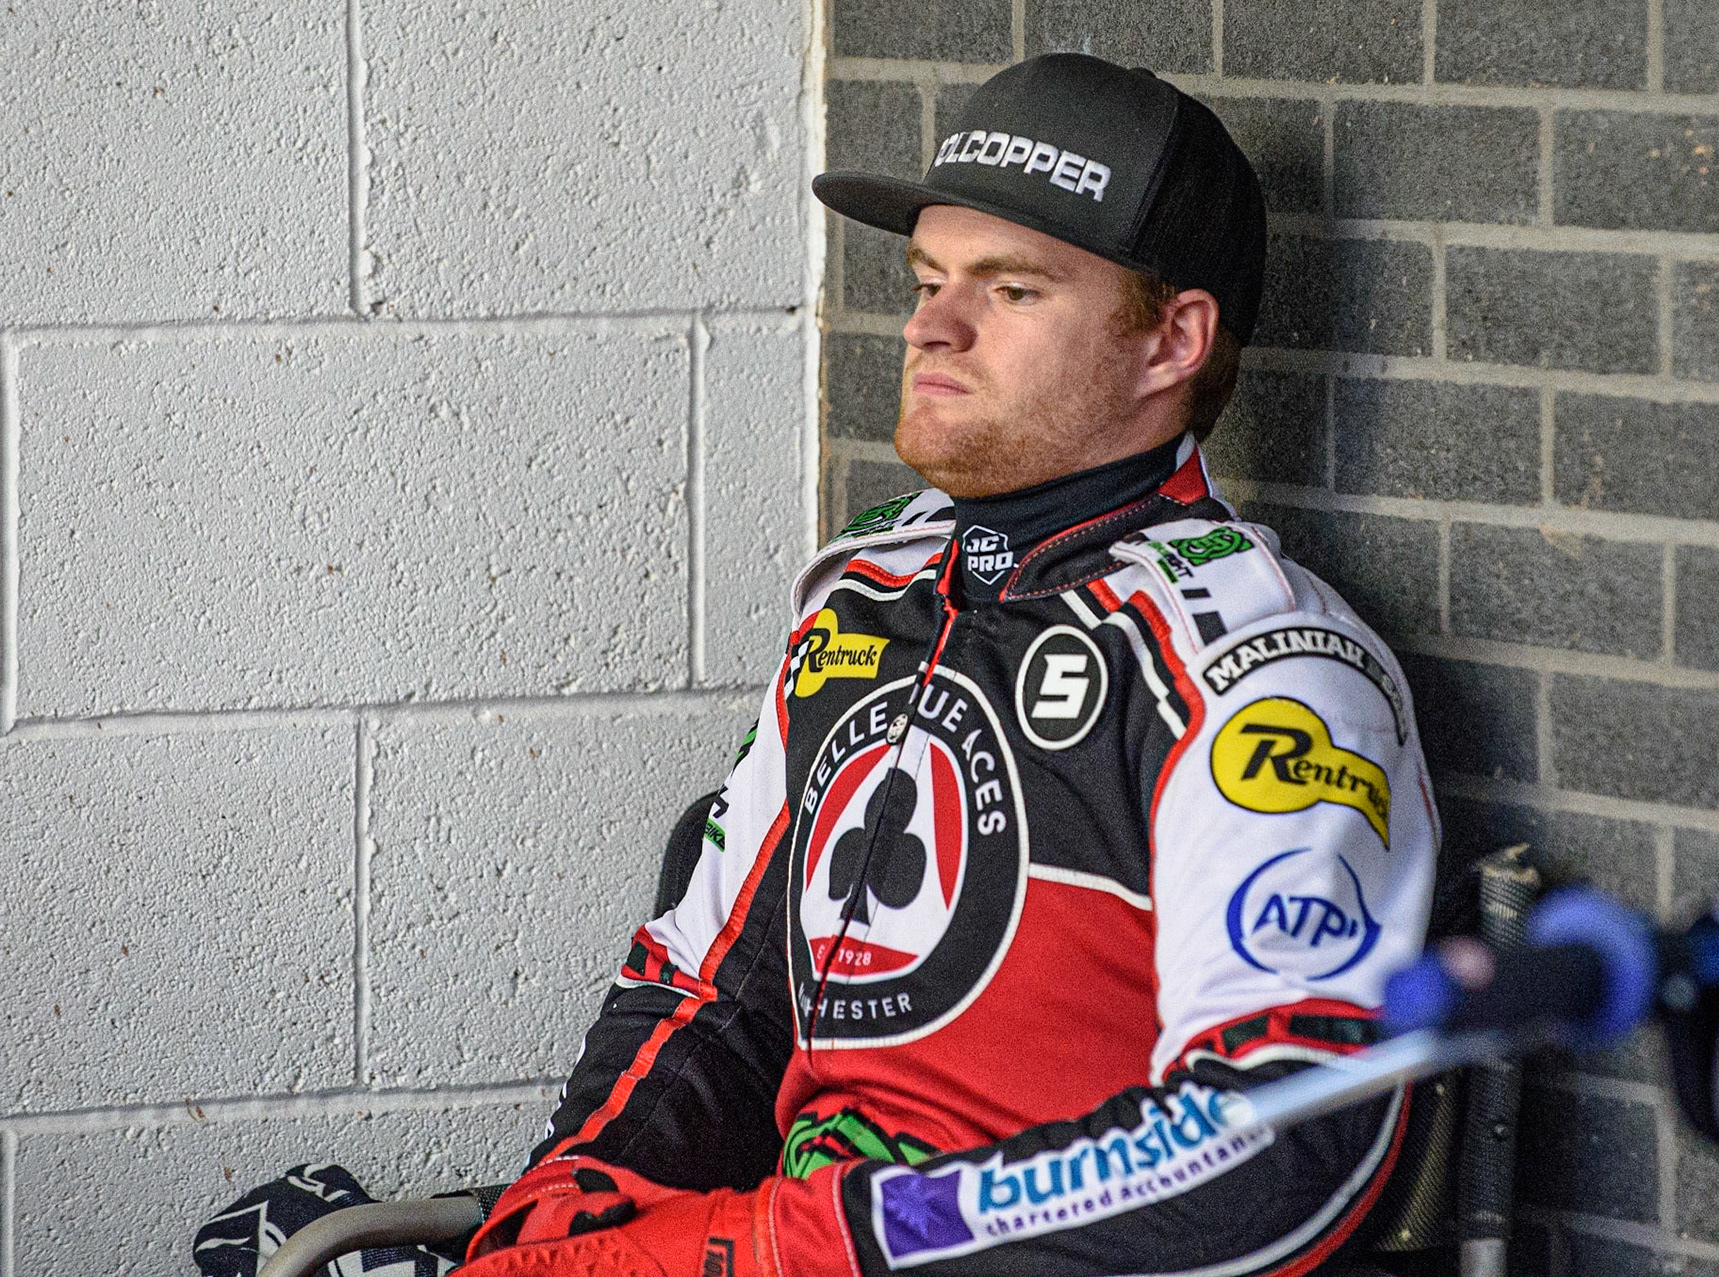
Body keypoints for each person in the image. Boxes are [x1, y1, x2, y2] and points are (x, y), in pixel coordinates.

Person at [459, 53, 1439, 1277]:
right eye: (927, 278)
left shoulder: (1263, 669)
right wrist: (574, 1203)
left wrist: (772, 1242)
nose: (932, 324)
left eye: (1011, 289)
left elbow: (1272, 1149)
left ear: (1171, 342)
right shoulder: (869, 589)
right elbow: (714, 984)